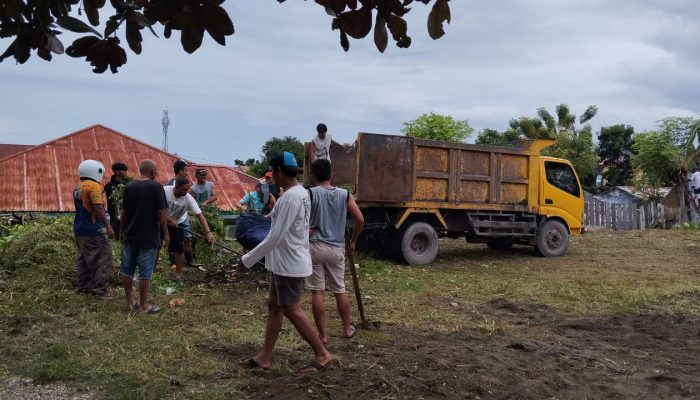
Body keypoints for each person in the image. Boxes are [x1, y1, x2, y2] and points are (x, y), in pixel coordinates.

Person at [238, 152, 332, 372]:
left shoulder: (291, 197)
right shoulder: (299, 193)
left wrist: (248, 260)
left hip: (290, 263)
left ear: (280, 171)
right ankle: (265, 357)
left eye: (273, 173)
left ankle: (322, 354)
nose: (271, 179)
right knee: (274, 306)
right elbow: (279, 226)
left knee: (290, 309)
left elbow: (275, 236)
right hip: (284, 261)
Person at [305, 159, 364, 343]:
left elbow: (299, 219)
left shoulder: (309, 194)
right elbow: (360, 219)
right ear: (332, 174)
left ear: (313, 177)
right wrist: (353, 241)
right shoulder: (344, 194)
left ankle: (322, 336)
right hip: (336, 247)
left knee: (317, 292)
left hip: (314, 246)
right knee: (339, 290)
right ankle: (347, 329)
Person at [119, 159, 169, 314]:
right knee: (145, 273)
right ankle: (143, 306)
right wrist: (166, 233)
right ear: (153, 172)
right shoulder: (156, 187)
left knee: (127, 270)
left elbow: (124, 212)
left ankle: (129, 303)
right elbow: (161, 212)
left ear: (140, 171)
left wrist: (122, 231)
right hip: (148, 237)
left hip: (130, 235)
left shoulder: (129, 186)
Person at [73, 159, 115, 298]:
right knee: (103, 258)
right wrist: (108, 227)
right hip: (93, 229)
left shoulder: (79, 187)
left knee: (84, 258)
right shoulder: (94, 187)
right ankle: (99, 291)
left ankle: (83, 287)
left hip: (79, 229)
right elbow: (98, 208)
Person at [164, 176, 215, 281]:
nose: (186, 192)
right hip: (159, 222)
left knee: (179, 248)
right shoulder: (164, 191)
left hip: (176, 224)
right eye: (183, 189)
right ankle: (153, 272)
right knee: (155, 246)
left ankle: (178, 275)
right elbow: (156, 210)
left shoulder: (188, 198)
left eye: (187, 189)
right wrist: (169, 220)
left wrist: (208, 232)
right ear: (176, 187)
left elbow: (200, 215)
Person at [104, 162, 128, 239]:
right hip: (115, 218)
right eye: (123, 170)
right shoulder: (109, 186)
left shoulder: (128, 184)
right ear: (117, 172)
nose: (125, 172)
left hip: (127, 217)